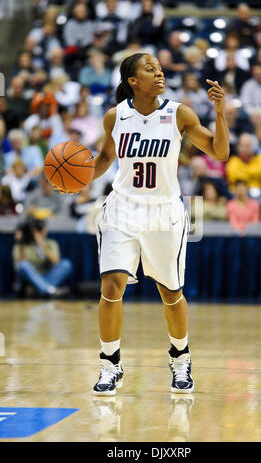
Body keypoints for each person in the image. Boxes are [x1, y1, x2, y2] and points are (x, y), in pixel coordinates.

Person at [53, 53, 229, 395]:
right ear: (133, 80)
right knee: (112, 286)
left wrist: (220, 114)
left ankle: (180, 357)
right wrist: (77, 179)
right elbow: (104, 158)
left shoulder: (179, 113)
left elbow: (219, 152)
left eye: (160, 69)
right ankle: (110, 364)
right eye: (150, 69)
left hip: (164, 212)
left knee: (171, 292)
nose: (159, 73)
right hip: (122, 209)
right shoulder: (115, 116)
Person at [12, 218, 73, 297]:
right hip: (31, 278)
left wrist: (41, 244)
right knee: (23, 265)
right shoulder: (21, 246)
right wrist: (21, 243)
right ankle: (49, 290)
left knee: (66, 264)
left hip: (48, 275)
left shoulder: (51, 243)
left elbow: (56, 262)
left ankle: (39, 289)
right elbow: (18, 267)